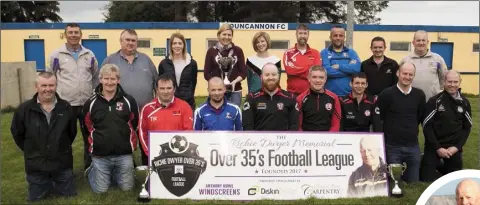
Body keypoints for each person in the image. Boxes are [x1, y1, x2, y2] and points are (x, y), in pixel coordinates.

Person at [11, 72, 77, 202]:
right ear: (36, 86)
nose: (48, 89)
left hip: (61, 163)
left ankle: (56, 180)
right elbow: (17, 133)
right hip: (36, 164)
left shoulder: (66, 107)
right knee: (36, 198)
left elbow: (71, 132)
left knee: (69, 195)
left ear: (56, 86)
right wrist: (31, 150)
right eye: (44, 85)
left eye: (51, 85)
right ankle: (44, 182)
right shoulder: (24, 109)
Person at [47, 23, 99, 171]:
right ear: (65, 34)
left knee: (89, 137)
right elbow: (51, 76)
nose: (74, 35)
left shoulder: (89, 55)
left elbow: (95, 76)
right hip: (65, 104)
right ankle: (64, 170)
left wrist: (93, 94)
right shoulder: (57, 55)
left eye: (76, 32)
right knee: (63, 137)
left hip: (86, 104)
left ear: (81, 35)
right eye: (70, 32)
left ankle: (90, 169)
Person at [82, 64, 139, 193]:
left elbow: (134, 124)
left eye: (113, 79)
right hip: (100, 154)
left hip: (124, 154)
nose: (109, 82)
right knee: (100, 190)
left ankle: (121, 170)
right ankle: (92, 169)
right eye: (106, 78)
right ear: (100, 79)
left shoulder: (129, 100)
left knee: (127, 188)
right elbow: (86, 127)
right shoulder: (90, 103)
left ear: (118, 80)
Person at [376, 62, 426, 183]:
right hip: (392, 146)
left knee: (414, 183)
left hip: (412, 145)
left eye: (410, 74)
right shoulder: (386, 94)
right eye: (404, 73)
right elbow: (380, 118)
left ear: (414, 76)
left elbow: (420, 116)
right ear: (398, 73)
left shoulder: (419, 95)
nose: (407, 77)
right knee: (394, 181)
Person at [420, 70, 473, 182]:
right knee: (426, 179)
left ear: (460, 82)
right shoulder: (434, 101)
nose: (452, 85)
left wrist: (457, 147)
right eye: (449, 81)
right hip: (434, 147)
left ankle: (441, 166)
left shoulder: (465, 102)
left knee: (454, 180)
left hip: (453, 148)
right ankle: (425, 159)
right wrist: (438, 148)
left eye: (455, 82)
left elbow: (467, 128)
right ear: (444, 82)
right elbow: (426, 126)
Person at [139, 74, 193, 165]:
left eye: (169, 88)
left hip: (179, 157)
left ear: (174, 89)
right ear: (157, 90)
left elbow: (189, 132)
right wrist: (151, 153)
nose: (165, 91)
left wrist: (181, 154)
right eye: (162, 88)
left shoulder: (185, 107)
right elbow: (142, 134)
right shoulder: (147, 109)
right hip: (155, 157)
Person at [101, 29, 158, 110]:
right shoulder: (110, 60)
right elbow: (100, 85)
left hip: (145, 111)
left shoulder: (146, 59)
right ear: (121, 41)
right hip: (118, 112)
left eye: (133, 40)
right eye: (127, 40)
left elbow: (157, 84)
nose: (130, 43)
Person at [242, 63, 299, 131]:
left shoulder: (290, 98)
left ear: (278, 76)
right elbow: (248, 126)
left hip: (283, 141)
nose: (270, 77)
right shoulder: (251, 98)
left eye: (274, 74)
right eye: (267, 75)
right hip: (259, 140)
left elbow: (294, 126)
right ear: (261, 77)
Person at [204, 23, 246, 107]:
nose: (227, 37)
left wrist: (235, 81)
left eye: (229, 35)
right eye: (224, 34)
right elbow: (206, 74)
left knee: (233, 116)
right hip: (217, 92)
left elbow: (243, 73)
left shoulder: (238, 51)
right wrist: (218, 85)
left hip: (235, 91)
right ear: (218, 35)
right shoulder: (211, 51)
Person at [399, 30, 448, 102]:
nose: (421, 43)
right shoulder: (405, 60)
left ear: (427, 42)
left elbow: (444, 77)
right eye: (418, 40)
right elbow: (400, 79)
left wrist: (437, 91)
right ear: (413, 43)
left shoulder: (437, 59)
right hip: (411, 102)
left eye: (423, 40)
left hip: (433, 102)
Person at [158, 32, 198, 110]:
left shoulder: (192, 63)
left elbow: (193, 84)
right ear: (171, 46)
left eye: (180, 43)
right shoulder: (164, 64)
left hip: (188, 104)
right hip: (169, 104)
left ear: (183, 45)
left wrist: (188, 95)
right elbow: (161, 84)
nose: (177, 46)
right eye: (174, 43)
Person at [297, 65, 341, 131]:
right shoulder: (300, 99)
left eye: (321, 77)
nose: (318, 80)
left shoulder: (334, 98)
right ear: (309, 78)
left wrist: (329, 138)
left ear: (325, 79)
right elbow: (298, 125)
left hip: (328, 139)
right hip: (306, 139)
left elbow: (336, 124)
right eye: (314, 77)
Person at [321, 25, 361, 98]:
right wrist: (348, 69)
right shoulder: (324, 53)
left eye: (341, 35)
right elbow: (326, 71)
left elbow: (357, 68)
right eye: (335, 35)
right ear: (330, 37)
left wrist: (339, 66)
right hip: (329, 96)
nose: (338, 38)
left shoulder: (351, 53)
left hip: (349, 96)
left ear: (344, 38)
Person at [283, 23, 321, 96]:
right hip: (292, 94)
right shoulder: (288, 53)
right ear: (296, 34)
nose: (303, 36)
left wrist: (297, 70)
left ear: (308, 35)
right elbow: (290, 70)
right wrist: (309, 68)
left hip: (311, 93)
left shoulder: (315, 53)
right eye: (300, 33)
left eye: (305, 33)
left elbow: (315, 72)